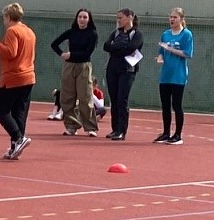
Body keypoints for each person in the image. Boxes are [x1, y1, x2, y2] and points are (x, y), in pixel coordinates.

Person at [0, 3, 36, 160]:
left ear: (8, 17)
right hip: (28, 76)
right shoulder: (29, 31)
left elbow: (11, 53)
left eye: (4, 17)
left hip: (13, 77)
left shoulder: (12, 31)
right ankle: (15, 146)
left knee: (0, 110)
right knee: (19, 112)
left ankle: (18, 138)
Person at [49, 8, 99, 135]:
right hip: (69, 67)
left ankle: (91, 128)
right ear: (76, 19)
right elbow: (54, 44)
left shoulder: (92, 34)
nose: (82, 19)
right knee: (67, 97)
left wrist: (71, 54)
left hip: (84, 67)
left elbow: (87, 53)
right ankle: (71, 126)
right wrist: (62, 54)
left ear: (89, 19)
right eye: (80, 17)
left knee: (85, 97)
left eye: (85, 17)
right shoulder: (71, 32)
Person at [102, 8, 144, 141]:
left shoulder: (137, 34)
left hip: (127, 70)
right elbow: (106, 46)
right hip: (112, 69)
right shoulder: (116, 33)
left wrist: (116, 48)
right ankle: (115, 129)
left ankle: (121, 130)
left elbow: (131, 48)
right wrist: (120, 47)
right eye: (118, 18)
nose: (118, 20)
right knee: (114, 99)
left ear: (130, 17)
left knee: (122, 99)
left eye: (121, 18)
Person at [155, 7, 193, 145]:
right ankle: (166, 133)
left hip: (178, 76)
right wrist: (160, 58)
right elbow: (161, 51)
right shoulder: (165, 34)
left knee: (176, 105)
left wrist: (170, 49)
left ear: (181, 19)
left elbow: (187, 53)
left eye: (175, 17)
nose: (172, 19)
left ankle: (177, 135)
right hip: (165, 75)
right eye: (170, 17)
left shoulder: (186, 34)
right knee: (165, 105)